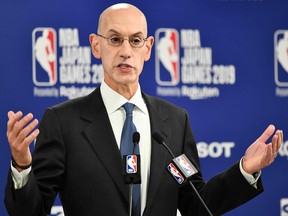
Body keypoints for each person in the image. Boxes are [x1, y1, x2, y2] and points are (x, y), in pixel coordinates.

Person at [5, 3, 283, 216]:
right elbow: (32, 210)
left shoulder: (174, 121)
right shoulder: (63, 122)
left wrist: (245, 170)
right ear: (96, 45)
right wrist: (22, 165)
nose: (126, 51)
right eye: (115, 40)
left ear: (148, 48)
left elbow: (195, 204)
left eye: (135, 40)